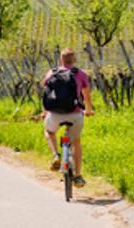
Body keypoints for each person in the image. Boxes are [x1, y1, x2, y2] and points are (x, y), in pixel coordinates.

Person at [41, 48, 94, 187]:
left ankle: (56, 155)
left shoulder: (51, 73)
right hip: (75, 115)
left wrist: (45, 112)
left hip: (55, 115)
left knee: (49, 131)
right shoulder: (81, 74)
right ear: (74, 60)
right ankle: (78, 176)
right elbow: (87, 96)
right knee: (76, 142)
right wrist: (89, 110)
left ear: (61, 60)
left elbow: (46, 94)